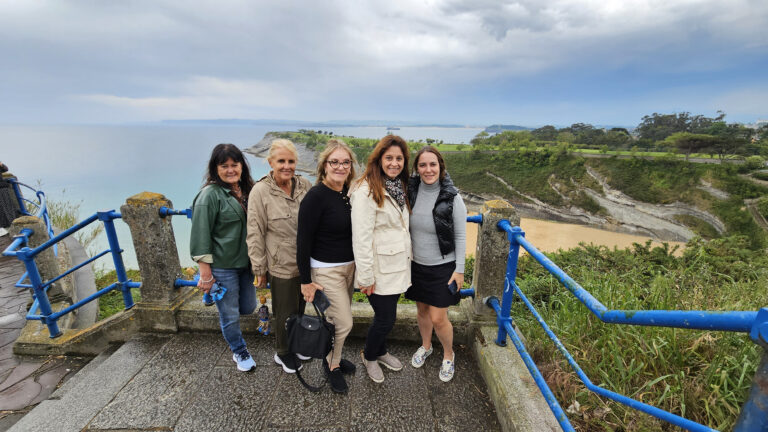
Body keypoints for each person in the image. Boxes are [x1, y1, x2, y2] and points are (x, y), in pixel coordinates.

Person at [297, 139, 358, 393]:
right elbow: (302, 241)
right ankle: (331, 365)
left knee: (335, 319)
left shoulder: (349, 193)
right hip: (325, 270)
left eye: (345, 162)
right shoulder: (315, 196)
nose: (340, 167)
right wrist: (305, 281)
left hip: (350, 268)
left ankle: (333, 356)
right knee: (345, 322)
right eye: (335, 162)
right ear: (324, 165)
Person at [246, 139, 312, 374]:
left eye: (291, 161)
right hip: (279, 262)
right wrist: (259, 269)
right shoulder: (261, 191)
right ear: (271, 162)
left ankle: (296, 344)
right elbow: (255, 232)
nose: (287, 166)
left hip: (305, 263)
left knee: (302, 307)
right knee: (285, 311)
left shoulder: (304, 184)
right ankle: (283, 351)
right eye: (281, 161)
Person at [190, 143, 257, 372]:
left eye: (234, 165)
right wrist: (206, 275)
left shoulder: (249, 189)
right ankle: (239, 351)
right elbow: (200, 237)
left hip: (246, 264)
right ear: (215, 168)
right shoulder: (209, 196)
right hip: (223, 266)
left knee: (248, 308)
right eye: (224, 166)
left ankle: (212, 296)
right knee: (229, 315)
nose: (230, 170)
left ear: (242, 166)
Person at [350, 135, 411, 383]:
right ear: (378, 159)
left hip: (397, 266)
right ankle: (370, 355)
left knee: (387, 316)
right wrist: (365, 276)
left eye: (399, 158)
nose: (394, 163)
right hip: (377, 269)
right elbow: (361, 237)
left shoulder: (399, 186)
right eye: (389, 158)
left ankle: (381, 350)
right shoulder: (366, 190)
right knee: (386, 318)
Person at [405, 146, 467, 382]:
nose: (428, 169)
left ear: (441, 166)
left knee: (439, 318)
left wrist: (459, 270)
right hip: (417, 265)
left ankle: (449, 355)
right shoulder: (411, 190)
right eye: (423, 165)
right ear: (417, 168)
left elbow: (461, 236)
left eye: (433, 164)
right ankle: (426, 345)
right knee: (421, 311)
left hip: (443, 267)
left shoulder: (452, 197)